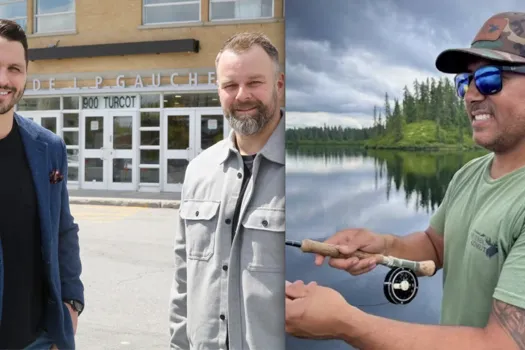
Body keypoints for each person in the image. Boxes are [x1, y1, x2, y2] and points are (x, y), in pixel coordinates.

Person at [285, 11, 525, 349]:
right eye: (465, 82)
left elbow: (503, 344)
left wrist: (346, 323)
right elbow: (436, 246)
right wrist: (383, 245)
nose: (470, 95)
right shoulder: (469, 174)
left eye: (489, 79)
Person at [168, 32, 285, 350]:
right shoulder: (199, 170)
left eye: (255, 82)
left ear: (279, 85)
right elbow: (184, 276)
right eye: (230, 85)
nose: (242, 95)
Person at [0, 20, 84, 349]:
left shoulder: (48, 148)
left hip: (38, 340)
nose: (4, 80)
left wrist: (72, 304)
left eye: (14, 68)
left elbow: (63, 228)